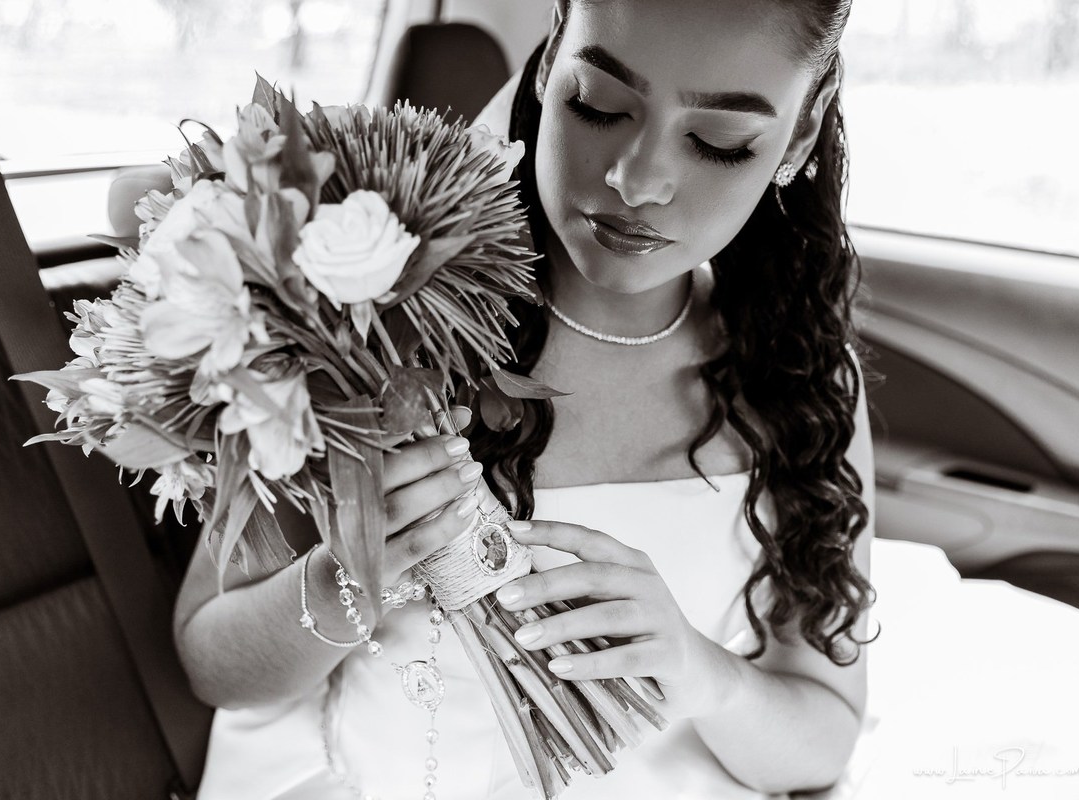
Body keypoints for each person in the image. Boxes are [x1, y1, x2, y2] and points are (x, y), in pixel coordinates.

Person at [177, 0, 877, 797]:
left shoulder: (805, 381)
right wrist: (355, 573)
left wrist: (703, 672)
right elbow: (212, 660)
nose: (637, 180)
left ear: (800, 135)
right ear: (548, 64)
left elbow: (822, 737)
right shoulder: (375, 322)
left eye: (718, 143)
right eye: (599, 106)